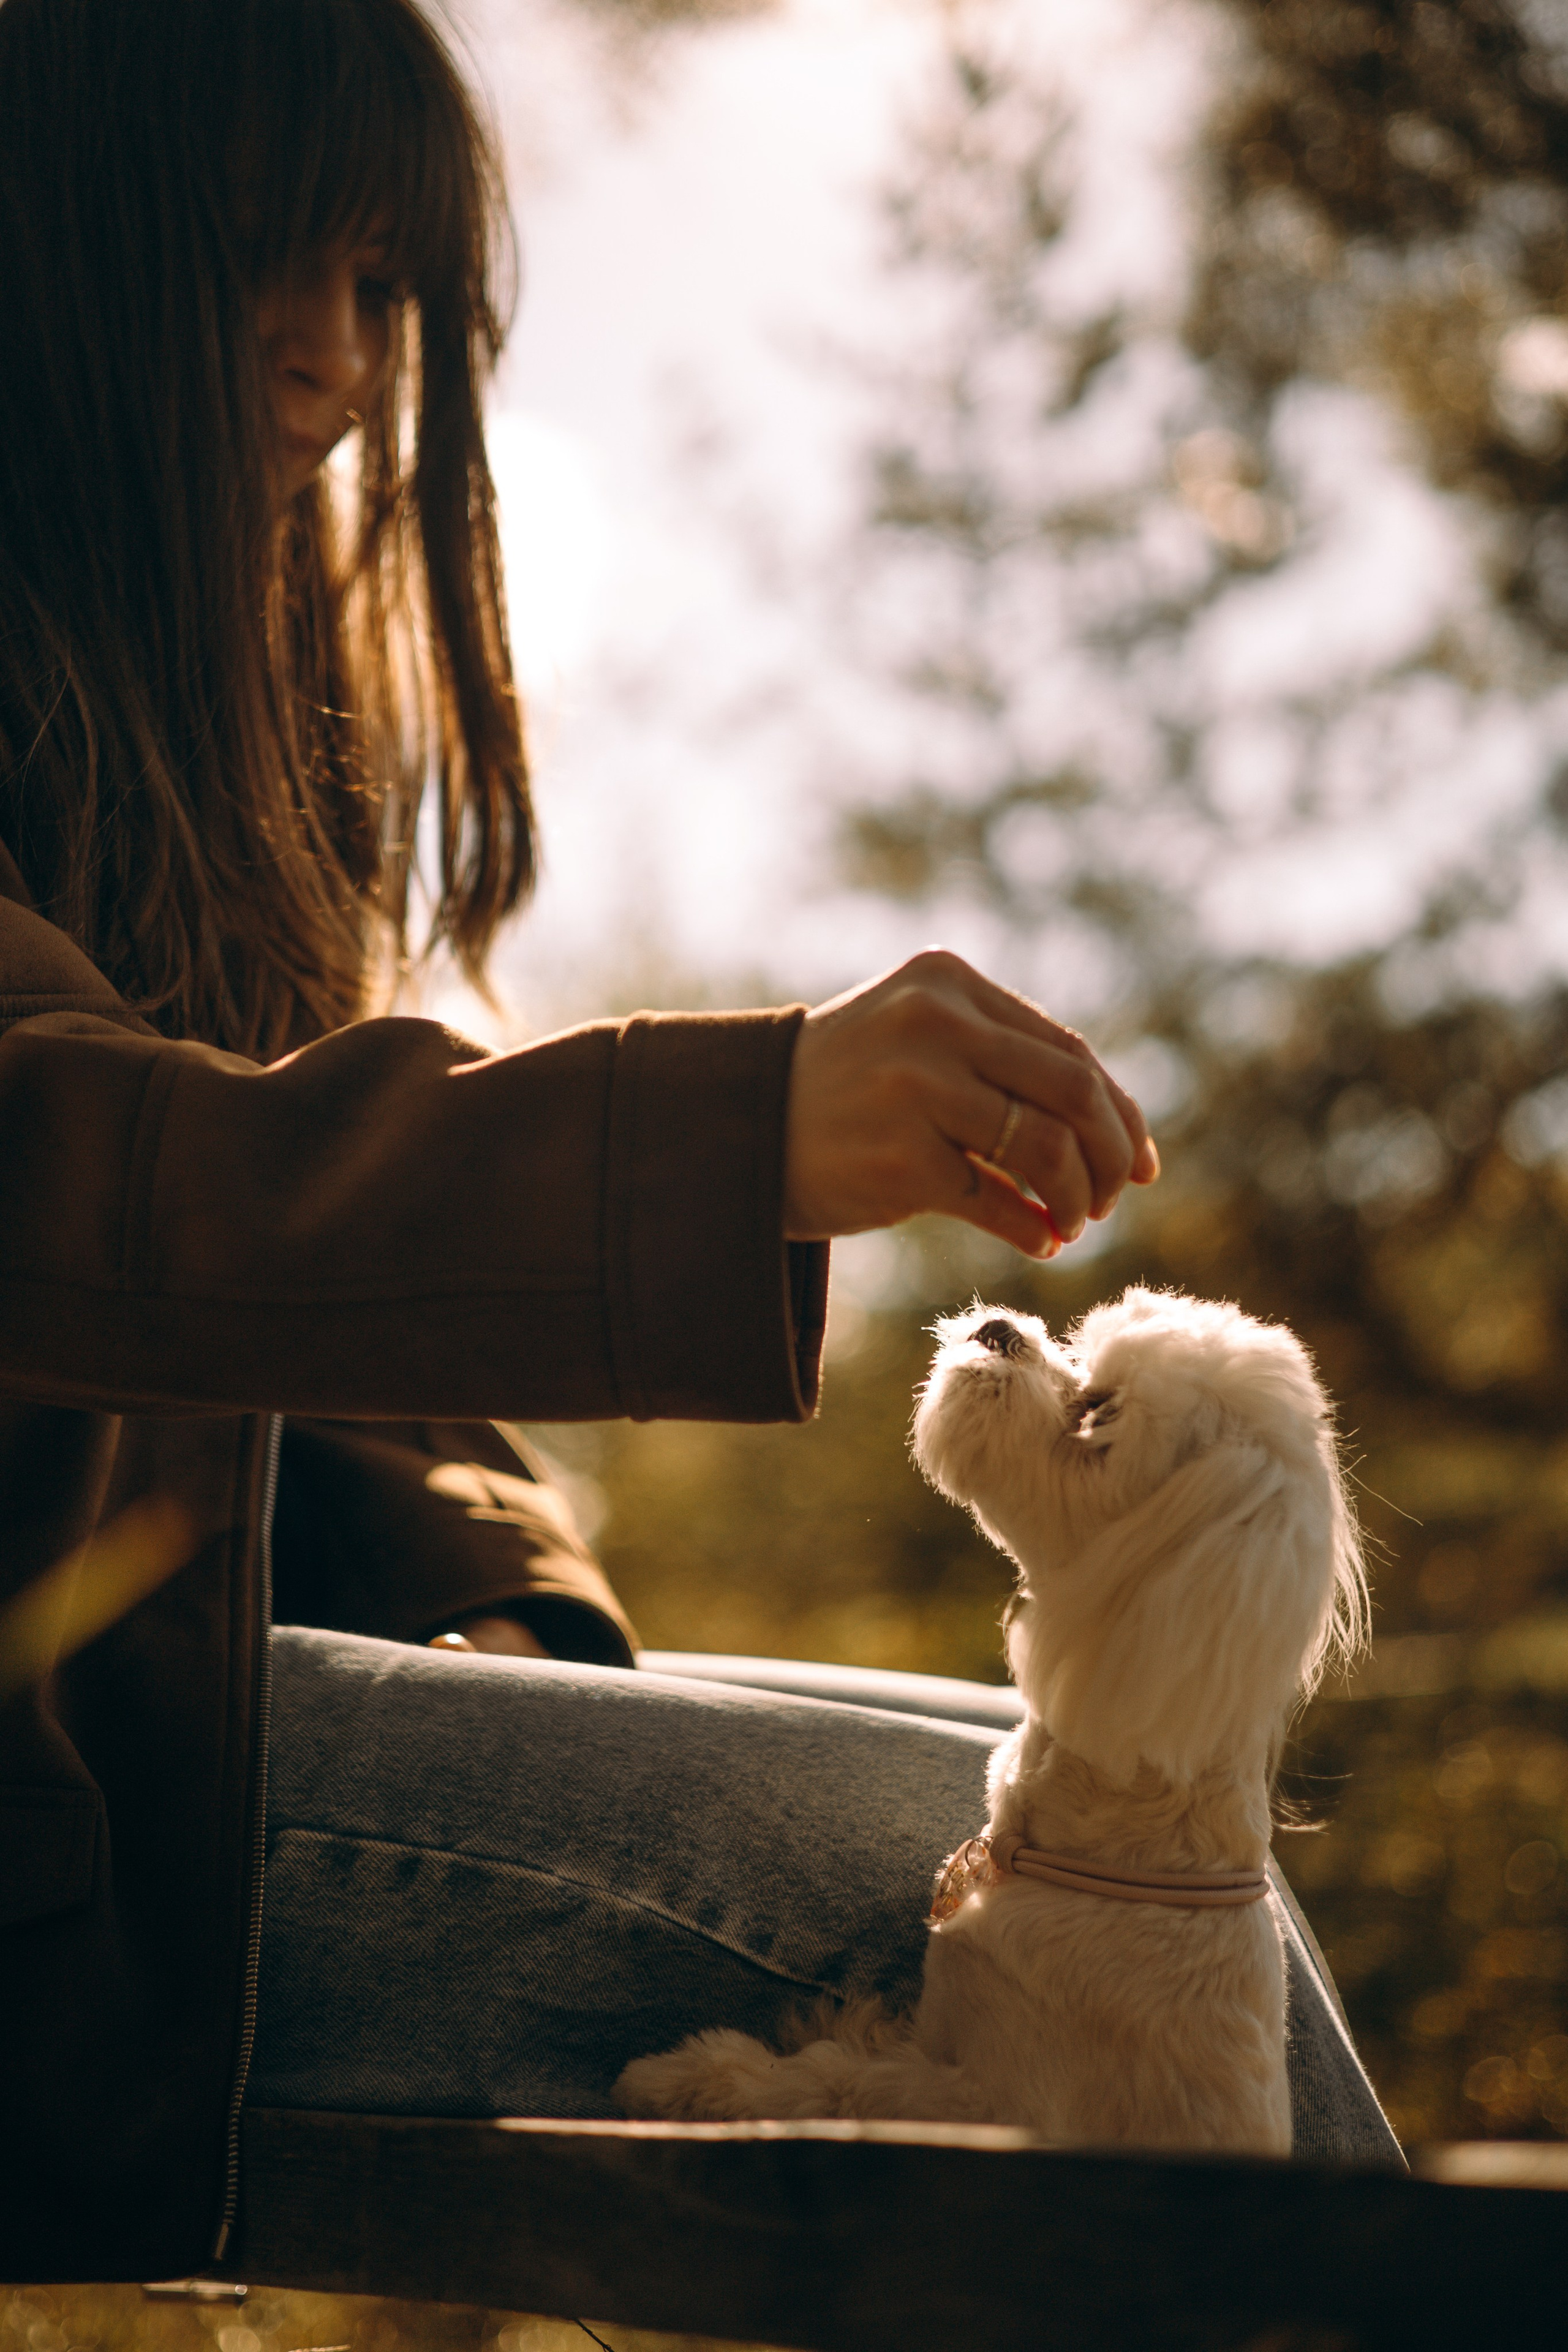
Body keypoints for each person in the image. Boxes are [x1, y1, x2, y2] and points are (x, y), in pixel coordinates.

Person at [0, 0, 1399, 2286]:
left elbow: (241, 1312)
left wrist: (503, 1604)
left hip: (144, 1746)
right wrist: (728, 1132)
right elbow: (78, 1178)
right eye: (258, 254)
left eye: (382, 284)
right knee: (1035, 1892)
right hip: (75, 1819)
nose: (338, 360)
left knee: (1147, 1855)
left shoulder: (160, 708)